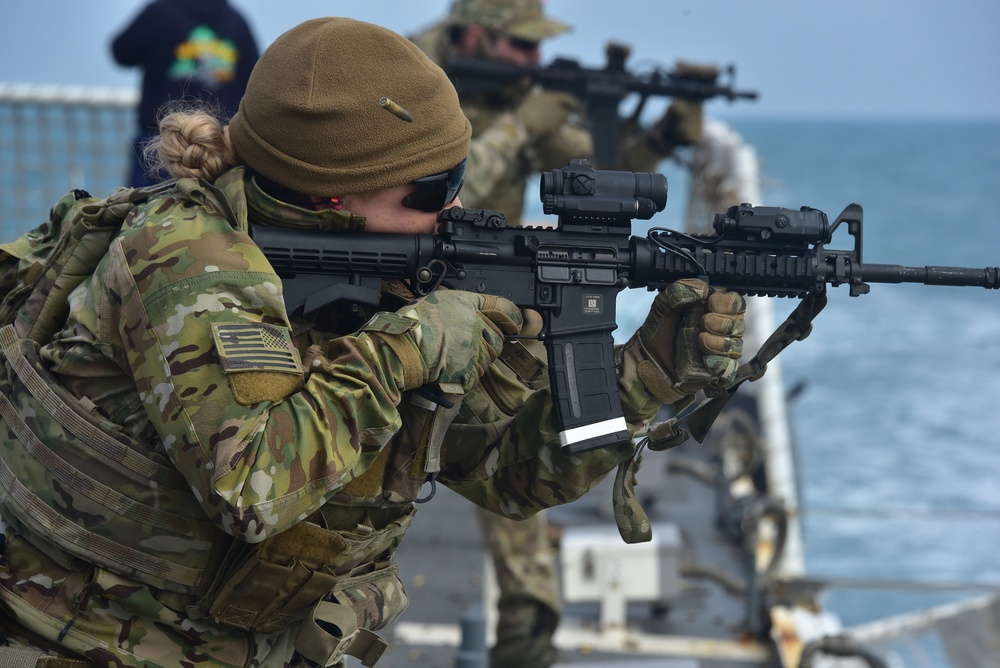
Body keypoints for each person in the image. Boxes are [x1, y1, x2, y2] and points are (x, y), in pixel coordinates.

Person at [0, 16, 746, 668]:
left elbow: (505, 472)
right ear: (332, 193)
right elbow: (250, 488)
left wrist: (645, 372)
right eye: (429, 190)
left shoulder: (375, 278)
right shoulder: (188, 260)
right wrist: (413, 344)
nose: (455, 205)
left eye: (457, 176)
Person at [410, 2, 714, 665]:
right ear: (477, 34)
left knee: (515, 441)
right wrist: (519, 127)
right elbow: (434, 199)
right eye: (521, 46)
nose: (532, 60)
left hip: (504, 290)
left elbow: (595, 170)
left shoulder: (517, 88)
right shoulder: (411, 81)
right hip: (406, 284)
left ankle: (526, 629)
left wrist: (664, 135)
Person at [110, 0, 259, 188]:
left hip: (160, 145)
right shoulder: (237, 21)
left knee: (145, 212)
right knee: (219, 212)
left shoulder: (159, 12)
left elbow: (121, 52)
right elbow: (255, 80)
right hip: (219, 146)